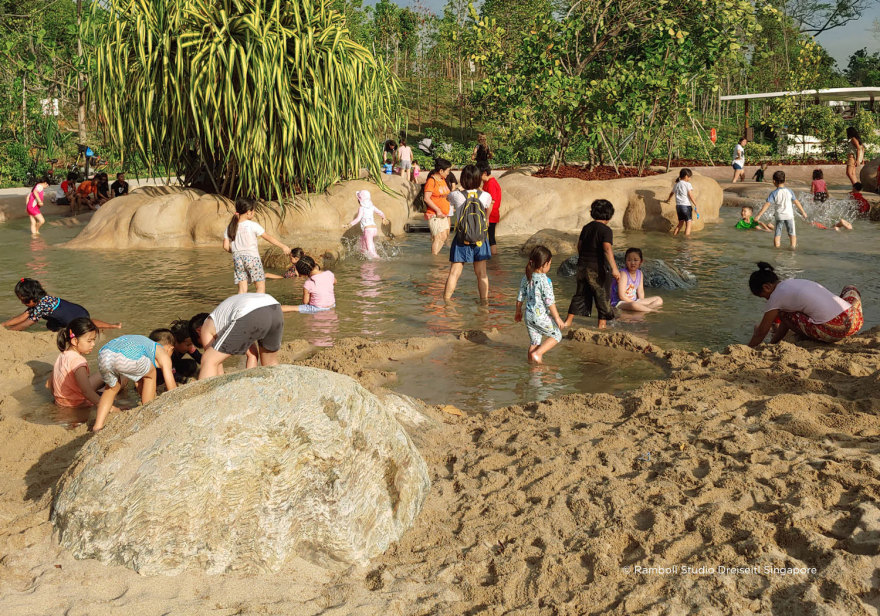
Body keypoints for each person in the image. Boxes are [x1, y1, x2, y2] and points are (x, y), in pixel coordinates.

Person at [747, 262, 862, 346]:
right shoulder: (793, 282)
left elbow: (761, 332)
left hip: (835, 331)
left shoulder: (776, 295)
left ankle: (808, 336)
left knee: (783, 313)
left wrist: (751, 347)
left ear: (767, 287)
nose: (767, 300)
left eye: (764, 297)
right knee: (849, 288)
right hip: (855, 320)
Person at [92, 330, 177, 431]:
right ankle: (148, 412)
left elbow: (139, 383)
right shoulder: (161, 350)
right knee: (151, 375)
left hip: (105, 354)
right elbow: (171, 385)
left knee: (111, 389)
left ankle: (97, 426)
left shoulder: (143, 345)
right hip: (126, 357)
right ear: (170, 348)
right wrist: (176, 397)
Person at [197, 293, 285, 379]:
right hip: (274, 307)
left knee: (208, 359)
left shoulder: (205, 326)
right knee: (269, 363)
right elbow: (252, 355)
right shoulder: (222, 316)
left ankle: (210, 394)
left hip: (249, 312)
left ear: (198, 331)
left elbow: (214, 364)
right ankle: (283, 389)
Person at [564, 199, 621, 329]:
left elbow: (579, 245)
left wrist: (584, 259)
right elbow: (607, 248)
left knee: (580, 294)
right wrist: (615, 269)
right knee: (602, 295)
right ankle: (602, 325)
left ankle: (568, 321)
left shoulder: (586, 227)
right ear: (609, 215)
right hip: (597, 269)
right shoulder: (606, 230)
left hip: (582, 266)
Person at [443, 164, 492, 302]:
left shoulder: (456, 195)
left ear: (463, 178)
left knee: (454, 273)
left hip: (461, 239)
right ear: (478, 179)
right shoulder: (486, 196)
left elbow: (448, 198)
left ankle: (446, 302)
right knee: (482, 274)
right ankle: (484, 303)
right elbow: (488, 207)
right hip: (480, 239)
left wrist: (460, 188)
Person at [223, 197, 291, 294]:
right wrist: (283, 246)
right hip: (252, 258)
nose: (254, 213)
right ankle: (259, 306)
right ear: (249, 212)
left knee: (242, 288)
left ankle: (241, 308)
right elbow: (268, 237)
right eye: (254, 211)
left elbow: (225, 246)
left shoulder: (231, 226)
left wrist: (235, 251)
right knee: (260, 286)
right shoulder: (252, 225)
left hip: (237, 259)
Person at [48, 317, 116, 411]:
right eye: (89, 341)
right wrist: (109, 408)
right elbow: (87, 392)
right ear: (75, 341)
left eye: (94, 340)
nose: (93, 344)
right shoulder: (78, 362)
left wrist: (60, 401)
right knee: (120, 378)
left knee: (103, 373)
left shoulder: (62, 355)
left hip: (61, 402)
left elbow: (50, 384)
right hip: (78, 405)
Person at [3, 278, 121, 332]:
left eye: (24, 301)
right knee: (51, 326)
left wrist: (9, 332)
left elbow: (26, 324)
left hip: (77, 315)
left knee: (86, 322)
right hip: (73, 310)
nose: (22, 303)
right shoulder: (43, 299)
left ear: (33, 298)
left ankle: (113, 326)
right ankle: (110, 326)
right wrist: (4, 324)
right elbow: (23, 316)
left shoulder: (41, 306)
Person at [515, 246, 565, 364]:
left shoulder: (526, 277)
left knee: (535, 342)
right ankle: (538, 354)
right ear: (545, 264)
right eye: (550, 264)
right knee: (557, 335)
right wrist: (557, 318)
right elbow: (549, 301)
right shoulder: (545, 281)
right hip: (540, 316)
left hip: (529, 316)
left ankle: (533, 369)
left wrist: (518, 311)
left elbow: (520, 297)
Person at [753, 170, 809, 249]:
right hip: (789, 216)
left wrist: (759, 215)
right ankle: (793, 248)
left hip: (779, 216)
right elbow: (796, 202)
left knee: (777, 233)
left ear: (774, 181)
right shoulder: (789, 191)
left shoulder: (773, 193)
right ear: (785, 180)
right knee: (792, 233)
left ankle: (777, 248)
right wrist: (803, 212)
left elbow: (767, 204)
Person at [612, 248, 664, 313]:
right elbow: (622, 296)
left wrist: (641, 302)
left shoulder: (640, 273)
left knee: (659, 299)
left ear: (641, 262)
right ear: (625, 261)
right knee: (634, 305)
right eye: (629, 260)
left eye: (636, 260)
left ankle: (643, 309)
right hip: (620, 302)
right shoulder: (623, 274)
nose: (633, 263)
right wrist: (637, 304)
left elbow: (640, 292)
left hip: (635, 301)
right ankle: (651, 310)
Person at [345, 190, 388, 259]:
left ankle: (378, 259)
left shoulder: (361, 208)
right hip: (374, 229)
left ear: (360, 200)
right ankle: (363, 252)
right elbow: (380, 212)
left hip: (368, 230)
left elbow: (358, 219)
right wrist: (384, 218)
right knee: (362, 239)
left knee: (371, 251)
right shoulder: (372, 207)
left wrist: (349, 224)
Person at [423, 158, 453, 255]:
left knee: (444, 236)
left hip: (443, 214)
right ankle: (434, 259)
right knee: (438, 237)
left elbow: (445, 195)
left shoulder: (442, 180)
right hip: (435, 215)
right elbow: (426, 198)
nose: (448, 173)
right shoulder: (431, 181)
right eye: (448, 171)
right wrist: (438, 210)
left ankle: (435, 256)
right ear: (441, 171)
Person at [668, 168, 699, 237]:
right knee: (688, 223)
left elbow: (671, 193)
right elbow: (690, 195)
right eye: (689, 177)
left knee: (680, 223)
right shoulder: (687, 184)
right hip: (686, 206)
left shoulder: (676, 184)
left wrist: (668, 200)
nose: (690, 178)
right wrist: (695, 203)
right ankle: (686, 240)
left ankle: (674, 236)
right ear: (686, 176)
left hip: (678, 207)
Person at [479, 163, 502, 256]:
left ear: (484, 173)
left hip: (491, 214)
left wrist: (487, 217)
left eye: (479, 175)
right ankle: (490, 256)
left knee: (491, 236)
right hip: (489, 213)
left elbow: (492, 200)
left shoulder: (491, 183)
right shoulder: (487, 182)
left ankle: (492, 256)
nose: (479, 178)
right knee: (489, 236)